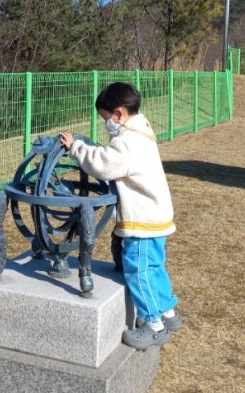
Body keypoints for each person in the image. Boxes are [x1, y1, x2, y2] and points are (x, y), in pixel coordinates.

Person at [59, 82, 181, 351]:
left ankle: (154, 325)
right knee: (155, 267)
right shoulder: (141, 130)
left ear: (119, 114)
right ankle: (168, 314)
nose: (106, 125)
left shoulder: (127, 142)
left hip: (143, 220)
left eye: (106, 119)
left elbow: (104, 164)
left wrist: (75, 148)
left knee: (139, 272)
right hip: (156, 217)